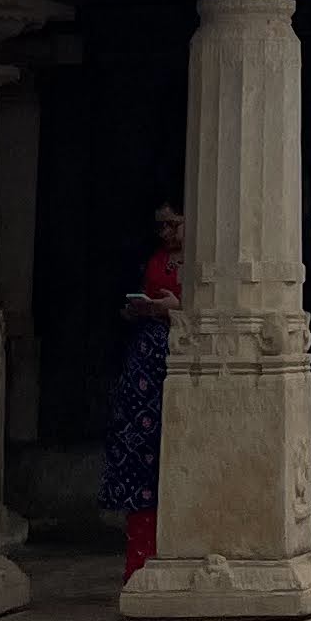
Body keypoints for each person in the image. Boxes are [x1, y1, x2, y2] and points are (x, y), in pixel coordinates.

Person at [97, 203, 183, 579]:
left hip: (179, 361)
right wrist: (141, 310)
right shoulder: (153, 260)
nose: (165, 233)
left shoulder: (201, 264)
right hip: (143, 368)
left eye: (173, 225)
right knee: (139, 461)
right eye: (160, 225)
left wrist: (175, 308)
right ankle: (138, 562)